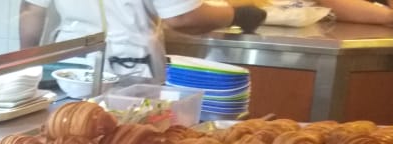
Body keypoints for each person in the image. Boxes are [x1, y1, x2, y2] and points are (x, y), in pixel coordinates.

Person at [18, 0, 266, 84]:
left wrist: (27, 66)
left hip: (69, 66)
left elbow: (31, 11)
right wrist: (238, 14)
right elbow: (182, 17)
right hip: (126, 70)